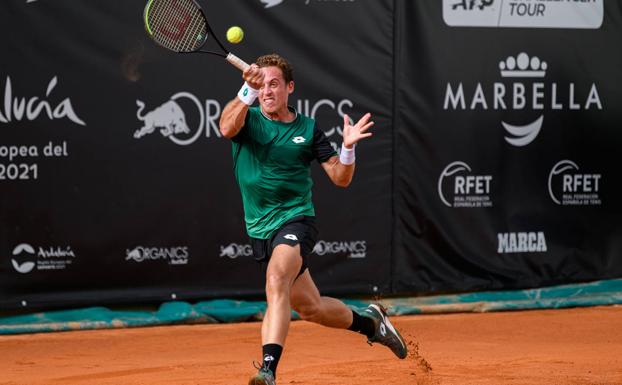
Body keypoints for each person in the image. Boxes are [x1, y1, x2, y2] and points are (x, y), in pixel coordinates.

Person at [219, 54, 407, 385]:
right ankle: (371, 324)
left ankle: (268, 371)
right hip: (260, 228)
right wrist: (246, 89)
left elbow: (340, 177)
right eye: (262, 85)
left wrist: (347, 150)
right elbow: (225, 127)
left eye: (274, 84)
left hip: (296, 221)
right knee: (311, 308)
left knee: (277, 279)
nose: (267, 91)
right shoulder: (247, 119)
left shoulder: (308, 129)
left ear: (290, 88)